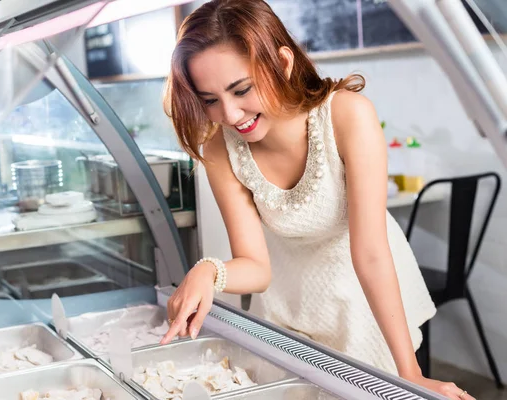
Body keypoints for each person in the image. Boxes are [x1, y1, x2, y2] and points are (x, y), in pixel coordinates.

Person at [159, 1, 474, 399]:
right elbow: (256, 267)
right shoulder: (222, 149)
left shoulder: (347, 116)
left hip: (369, 307)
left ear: (283, 63)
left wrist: (407, 371)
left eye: (242, 90)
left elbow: (371, 254)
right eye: (210, 100)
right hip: (288, 309)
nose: (231, 113)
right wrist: (206, 271)